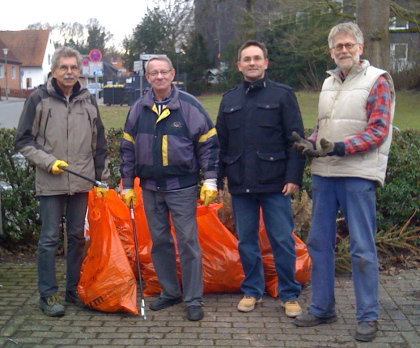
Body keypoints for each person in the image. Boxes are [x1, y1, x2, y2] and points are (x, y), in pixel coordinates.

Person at [292, 22, 395, 342]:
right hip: (325, 174)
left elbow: (378, 131)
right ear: (331, 51)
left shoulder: (377, 81)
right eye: (338, 46)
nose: (344, 50)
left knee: (362, 249)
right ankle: (323, 308)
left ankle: (368, 316)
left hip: (358, 175)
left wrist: (339, 148)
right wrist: (312, 142)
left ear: (360, 48)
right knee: (319, 244)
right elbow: (327, 127)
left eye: (349, 45)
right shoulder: (329, 82)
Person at [119, 55, 219, 321]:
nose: (159, 77)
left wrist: (210, 179)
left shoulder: (190, 106)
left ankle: (193, 299)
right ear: (147, 76)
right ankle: (170, 291)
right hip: (150, 188)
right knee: (160, 242)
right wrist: (127, 184)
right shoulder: (138, 108)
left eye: (164, 72)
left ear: (173, 74)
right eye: (154, 73)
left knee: (188, 242)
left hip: (181, 188)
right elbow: (127, 149)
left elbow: (208, 144)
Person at [14, 46, 110, 317]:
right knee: (49, 238)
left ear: (80, 71)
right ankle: (48, 295)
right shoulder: (38, 99)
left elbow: (99, 144)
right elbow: (22, 140)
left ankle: (73, 290)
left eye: (74, 68)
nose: (69, 72)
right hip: (51, 181)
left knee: (78, 238)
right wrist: (48, 162)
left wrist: (101, 181)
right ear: (54, 71)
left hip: (81, 182)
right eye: (64, 67)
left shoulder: (88, 100)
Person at [216, 40, 305, 318]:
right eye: (247, 59)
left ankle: (289, 294)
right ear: (239, 65)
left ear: (266, 63)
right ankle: (252, 290)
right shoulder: (229, 99)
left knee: (281, 240)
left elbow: (296, 140)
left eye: (257, 58)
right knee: (246, 241)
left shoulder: (283, 95)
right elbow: (221, 143)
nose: (252, 62)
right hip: (241, 183)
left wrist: (294, 176)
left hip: (276, 183)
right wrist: (217, 180)